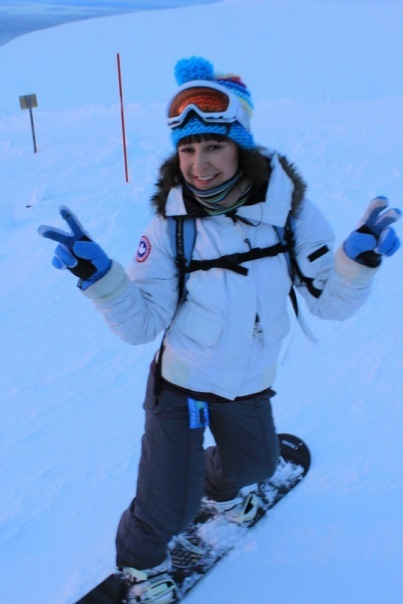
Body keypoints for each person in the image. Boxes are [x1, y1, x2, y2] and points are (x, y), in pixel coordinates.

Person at [39, 57, 400, 603]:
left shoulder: (291, 215)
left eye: (213, 146)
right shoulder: (170, 227)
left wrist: (355, 265)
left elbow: (329, 304)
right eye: (187, 149)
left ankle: (223, 491)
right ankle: (140, 566)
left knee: (257, 465)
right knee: (168, 507)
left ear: (241, 147)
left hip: (249, 380)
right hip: (182, 384)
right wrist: (101, 279)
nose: (199, 164)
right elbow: (142, 325)